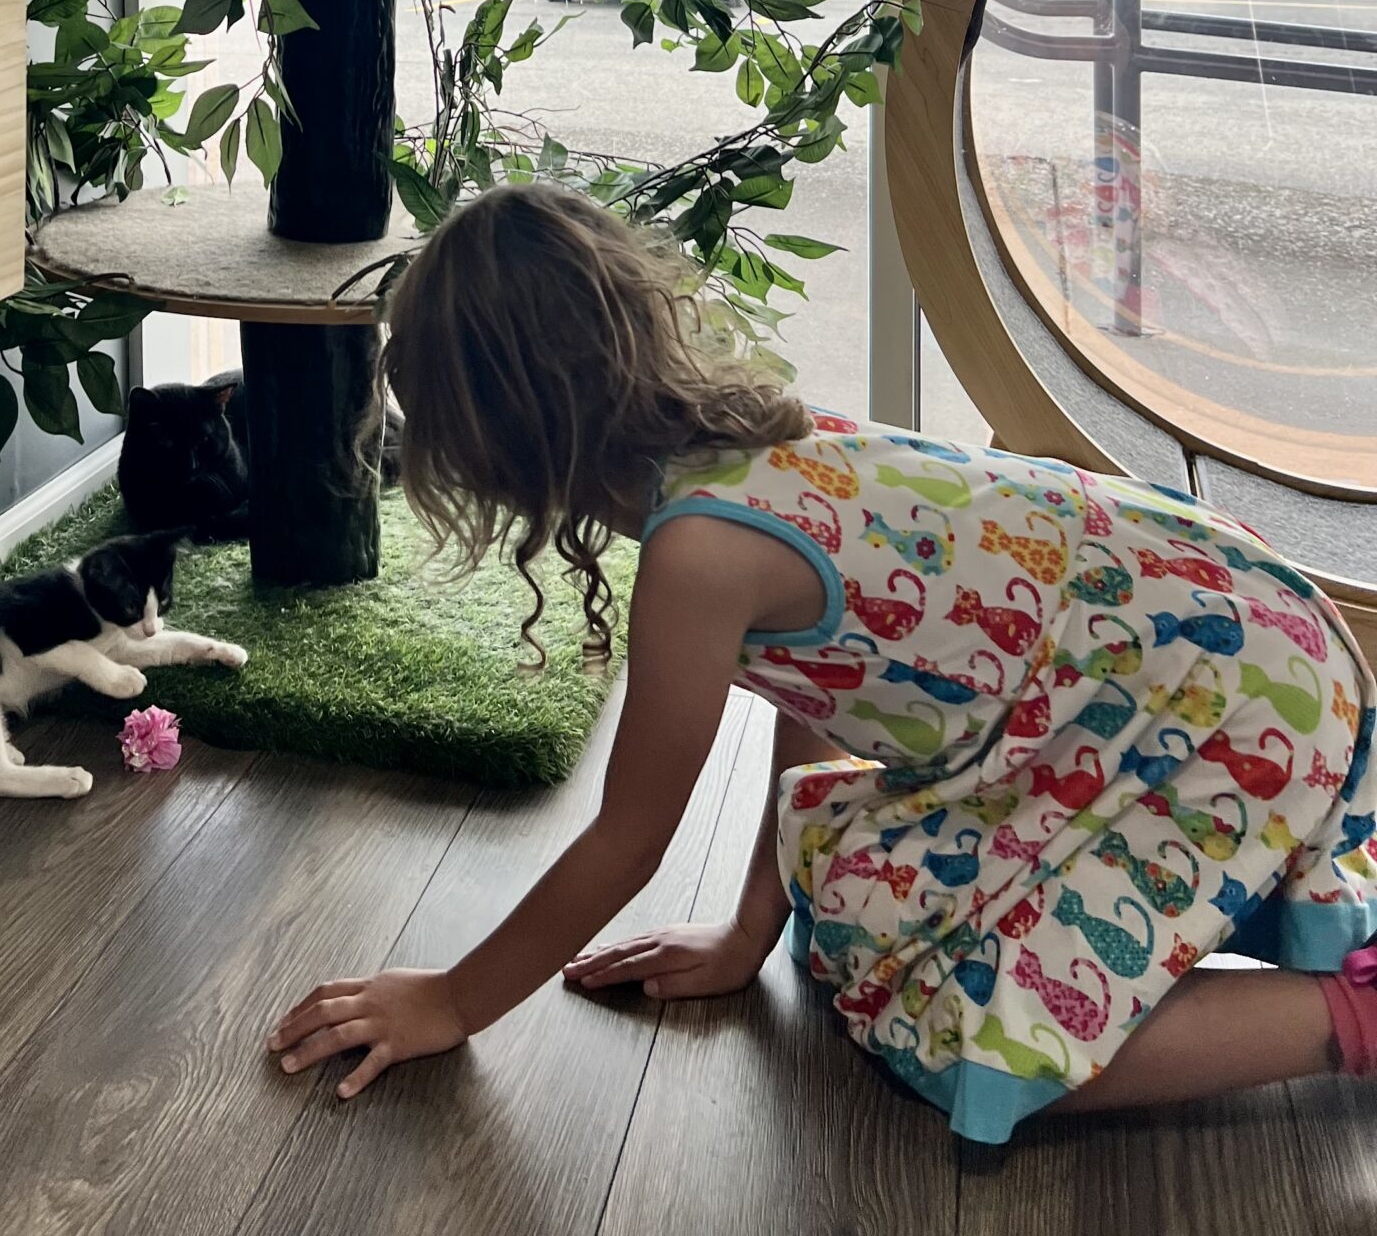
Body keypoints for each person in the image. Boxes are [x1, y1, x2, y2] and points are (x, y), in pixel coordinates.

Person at [267, 185, 1377, 1142]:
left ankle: (1356, 1018)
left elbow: (629, 838)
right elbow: (820, 697)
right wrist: (754, 927)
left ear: (510, 438)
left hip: (1214, 687)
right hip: (1214, 636)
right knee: (853, 913)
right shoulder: (744, 440)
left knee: (980, 1046)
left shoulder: (699, 553)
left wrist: (453, 1001)